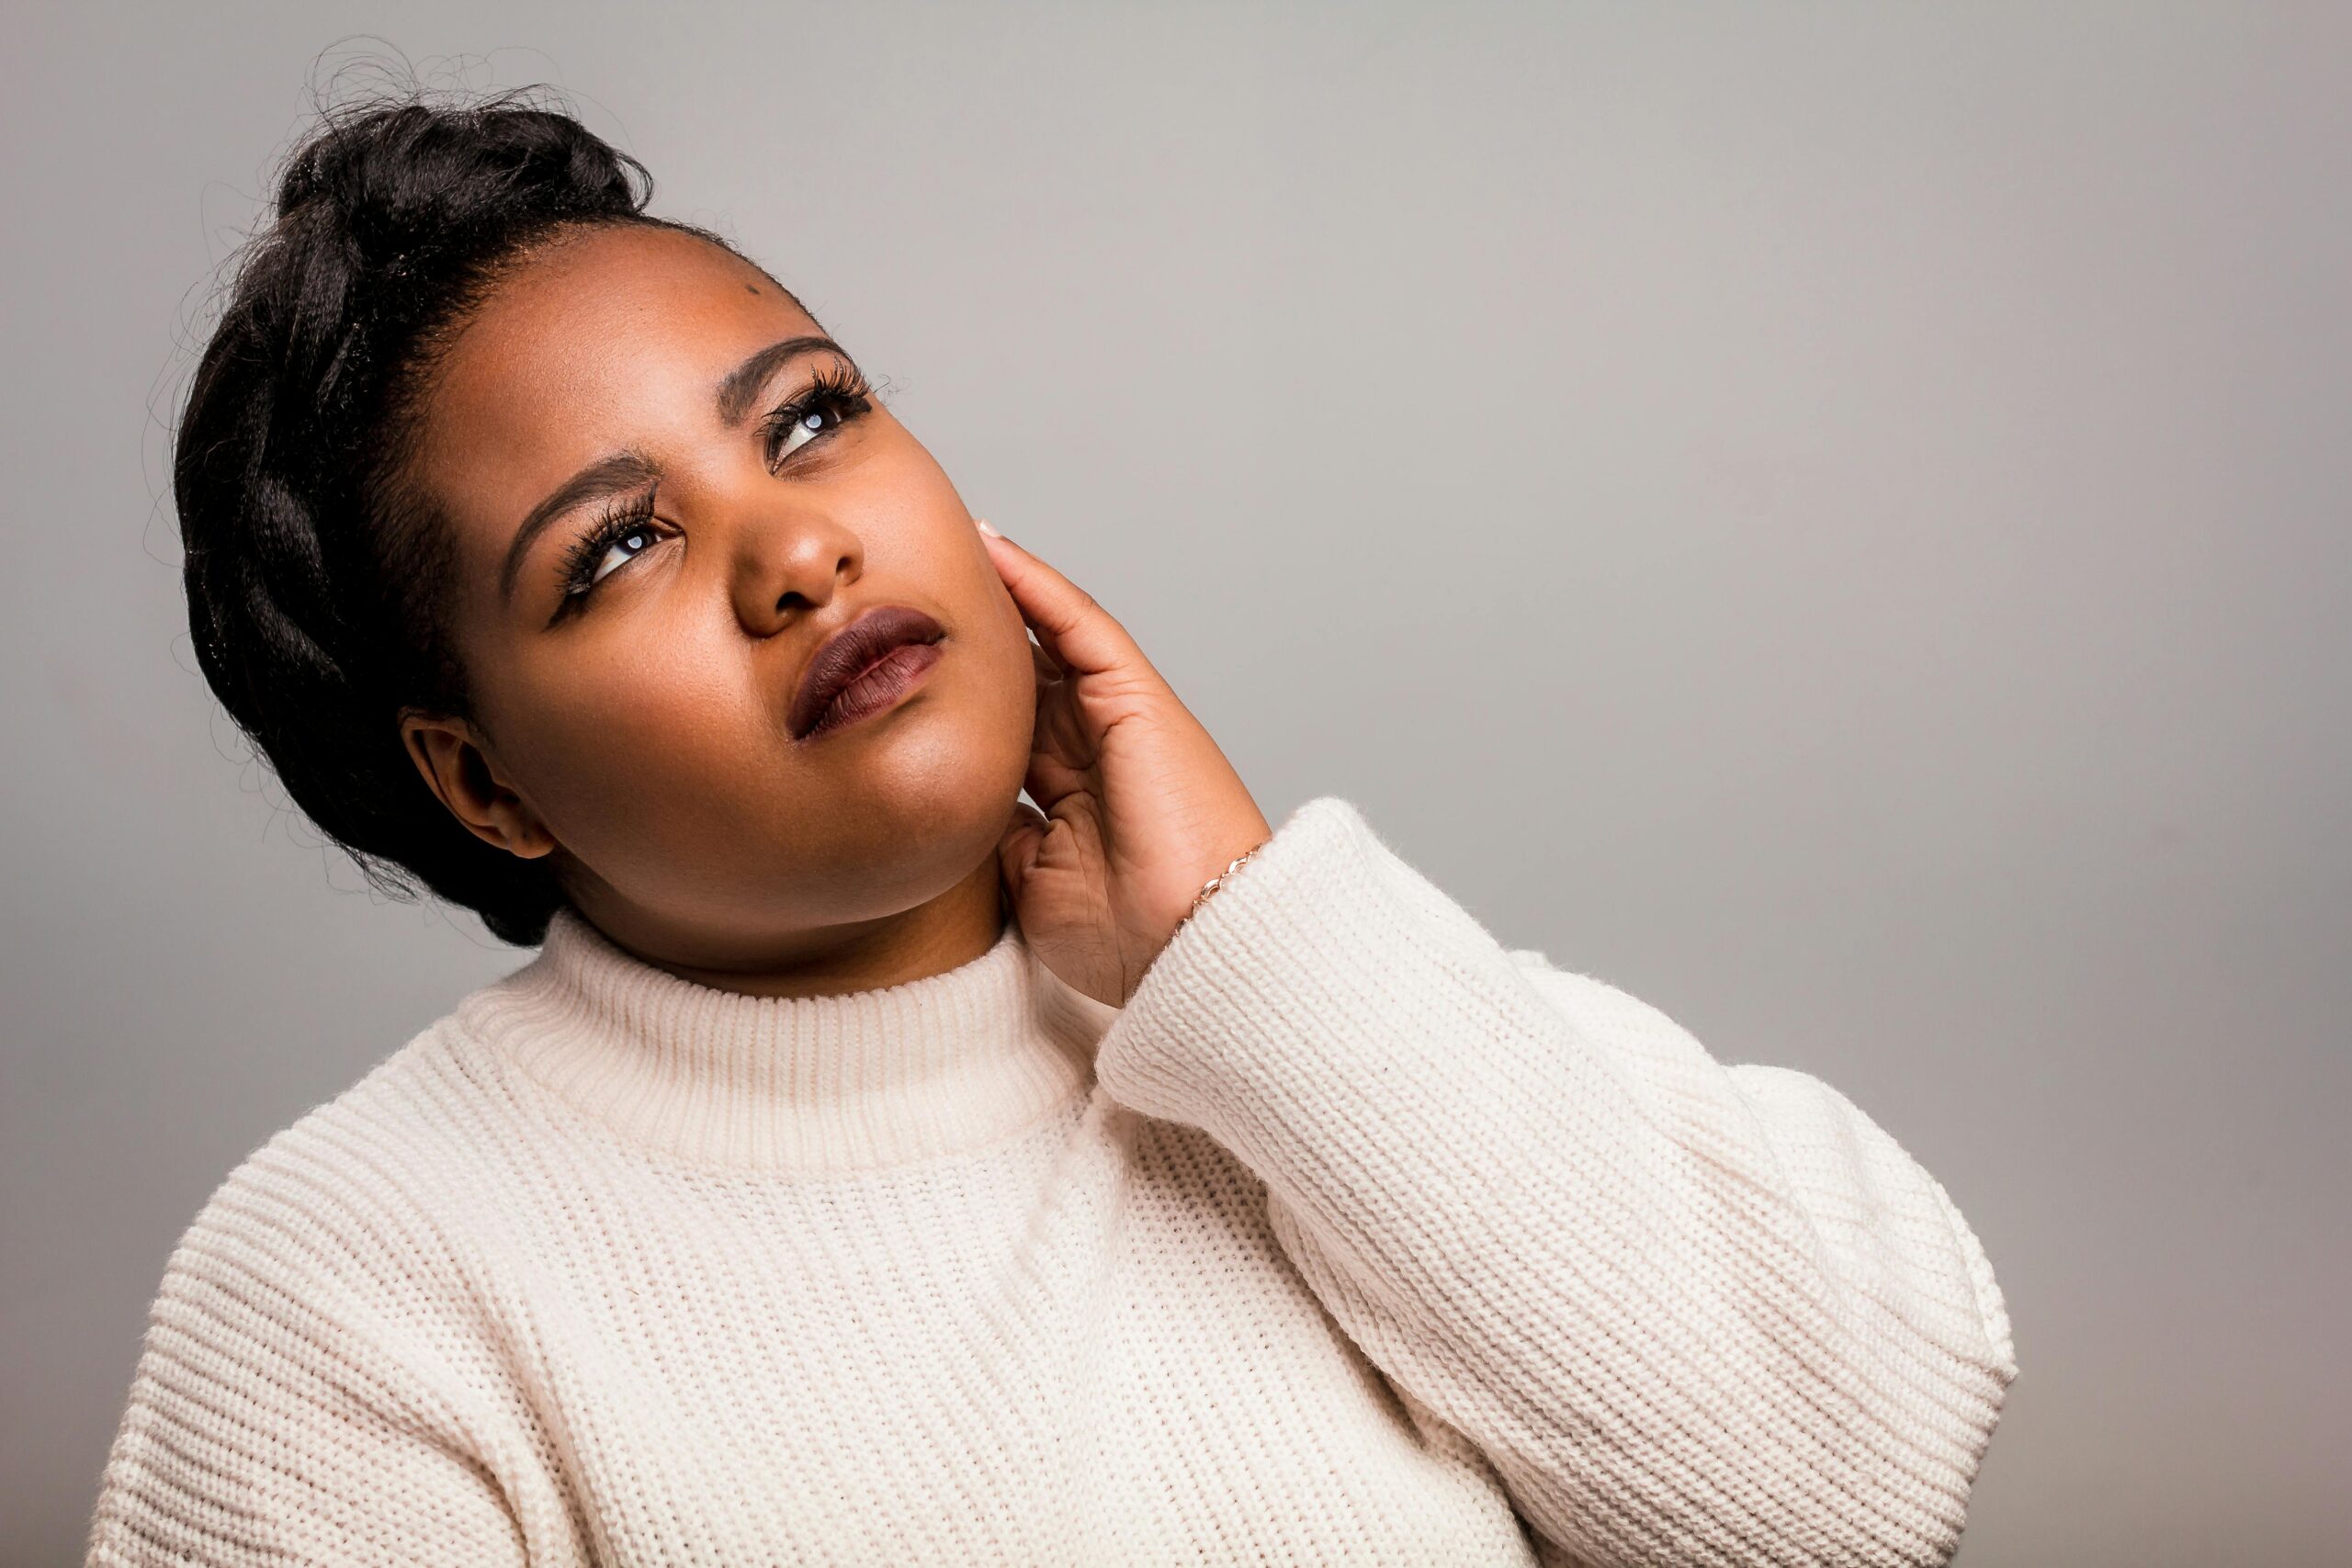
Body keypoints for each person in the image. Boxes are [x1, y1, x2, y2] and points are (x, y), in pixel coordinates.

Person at [87, 85, 2018, 1568]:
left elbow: (1842, 1503)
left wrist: (1242, 941)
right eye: (619, 547)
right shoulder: (355, 1284)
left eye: (807, 418)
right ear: (482, 779)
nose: (797, 549)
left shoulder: (1306, 1028)